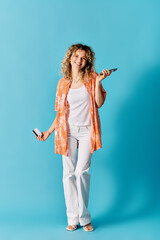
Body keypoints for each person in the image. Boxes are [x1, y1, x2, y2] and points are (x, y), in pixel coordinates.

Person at [35, 43, 112, 232]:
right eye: (76, 56)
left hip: (87, 131)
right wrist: (48, 131)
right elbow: (60, 115)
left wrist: (100, 82)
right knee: (67, 174)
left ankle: (85, 217)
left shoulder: (92, 78)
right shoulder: (62, 84)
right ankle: (72, 218)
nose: (79, 60)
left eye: (84, 58)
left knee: (81, 172)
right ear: (70, 58)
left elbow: (99, 104)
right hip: (67, 131)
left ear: (87, 61)